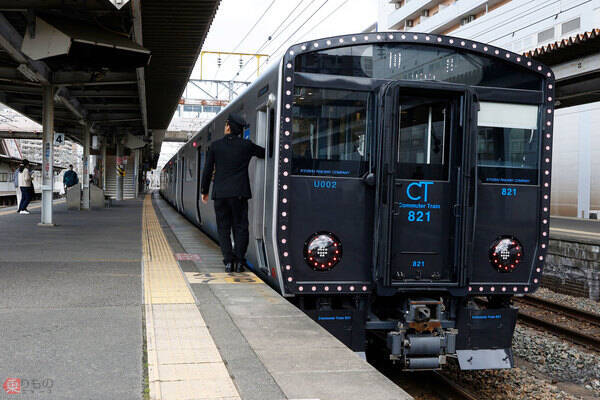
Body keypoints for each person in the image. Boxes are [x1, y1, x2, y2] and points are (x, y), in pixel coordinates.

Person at [200, 113, 265, 273]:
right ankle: (239, 262)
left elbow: (207, 170)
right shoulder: (246, 145)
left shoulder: (215, 146)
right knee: (241, 228)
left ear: (228, 127)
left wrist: (204, 191)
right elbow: (264, 153)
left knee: (223, 228)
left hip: (220, 194)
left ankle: (228, 262)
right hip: (239, 194)